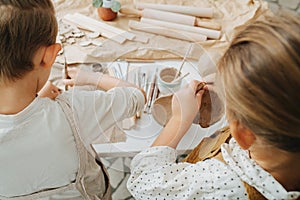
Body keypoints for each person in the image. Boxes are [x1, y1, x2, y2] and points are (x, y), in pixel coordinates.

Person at [127, 12, 300, 199]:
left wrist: (179, 119)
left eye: (232, 105)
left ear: (243, 134)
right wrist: (232, 85)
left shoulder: (220, 184)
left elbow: (143, 182)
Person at [0, 0, 145, 199]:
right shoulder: (71, 110)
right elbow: (136, 96)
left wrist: (38, 99)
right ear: (49, 55)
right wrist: (93, 78)